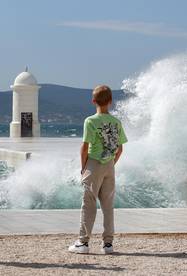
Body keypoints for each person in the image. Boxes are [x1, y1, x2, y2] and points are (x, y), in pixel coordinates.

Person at [68, 85, 128, 254]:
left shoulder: (90, 121)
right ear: (110, 101)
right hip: (110, 164)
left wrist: (84, 167)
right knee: (108, 206)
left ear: (93, 101)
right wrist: (111, 164)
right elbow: (120, 149)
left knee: (88, 204)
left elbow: (85, 147)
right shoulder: (116, 122)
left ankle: (83, 243)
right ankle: (108, 244)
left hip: (93, 164)